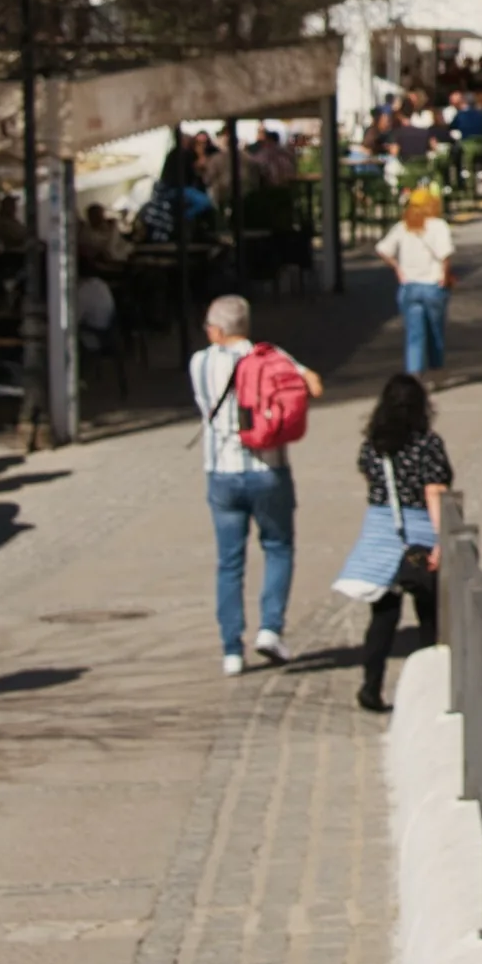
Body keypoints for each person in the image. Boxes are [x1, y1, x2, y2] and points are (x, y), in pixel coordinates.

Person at [189, 293, 322, 674]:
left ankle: (232, 650)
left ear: (217, 330)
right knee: (278, 547)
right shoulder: (272, 356)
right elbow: (312, 386)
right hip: (269, 468)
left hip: (222, 472)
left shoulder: (199, 363)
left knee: (229, 562)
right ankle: (270, 629)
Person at [336, 373, 453, 713]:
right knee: (429, 614)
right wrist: (442, 540)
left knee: (383, 616)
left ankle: (371, 686)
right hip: (418, 533)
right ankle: (435, 689)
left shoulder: (373, 446)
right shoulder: (427, 444)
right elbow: (434, 492)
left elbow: (369, 476)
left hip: (380, 533)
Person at [376, 186, 455, 376]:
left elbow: (382, 249)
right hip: (433, 286)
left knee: (414, 334)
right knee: (435, 333)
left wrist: (397, 268)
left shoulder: (403, 226)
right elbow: (445, 256)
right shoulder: (438, 225)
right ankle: (436, 371)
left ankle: (414, 375)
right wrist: (445, 276)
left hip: (409, 287)